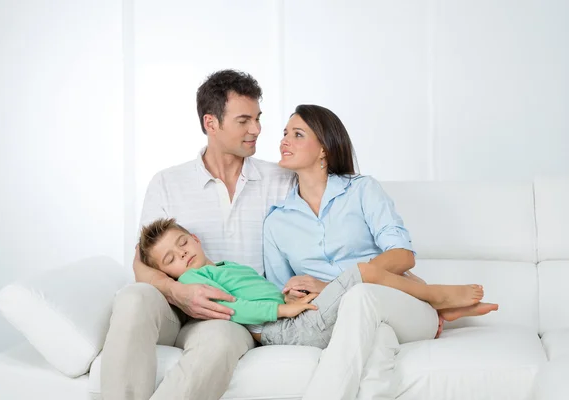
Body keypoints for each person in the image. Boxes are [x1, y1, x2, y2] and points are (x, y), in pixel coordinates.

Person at [263, 104, 499, 399]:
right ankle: (435, 298)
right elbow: (278, 292)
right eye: (284, 133)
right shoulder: (276, 221)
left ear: (324, 149)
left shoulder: (362, 190)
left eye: (297, 134)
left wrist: (333, 286)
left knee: (360, 295)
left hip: (398, 304)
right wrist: (292, 295)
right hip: (333, 317)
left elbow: (403, 256)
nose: (284, 141)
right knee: (377, 351)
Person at [100, 69, 292, 400]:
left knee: (219, 338)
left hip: (234, 312)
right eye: (244, 120)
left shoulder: (282, 180)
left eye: (258, 118)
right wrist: (178, 293)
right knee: (133, 297)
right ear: (211, 123)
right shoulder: (167, 182)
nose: (257, 129)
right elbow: (141, 266)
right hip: (174, 309)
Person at [138, 217, 495, 349]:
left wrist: (284, 292)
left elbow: (252, 293)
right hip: (289, 329)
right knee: (363, 273)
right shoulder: (196, 281)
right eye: (170, 259)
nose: (181, 255)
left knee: (389, 279)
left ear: (195, 239)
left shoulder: (226, 266)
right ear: (168, 275)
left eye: (182, 243)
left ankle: (437, 311)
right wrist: (282, 307)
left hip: (295, 316)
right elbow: (233, 308)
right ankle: (438, 297)